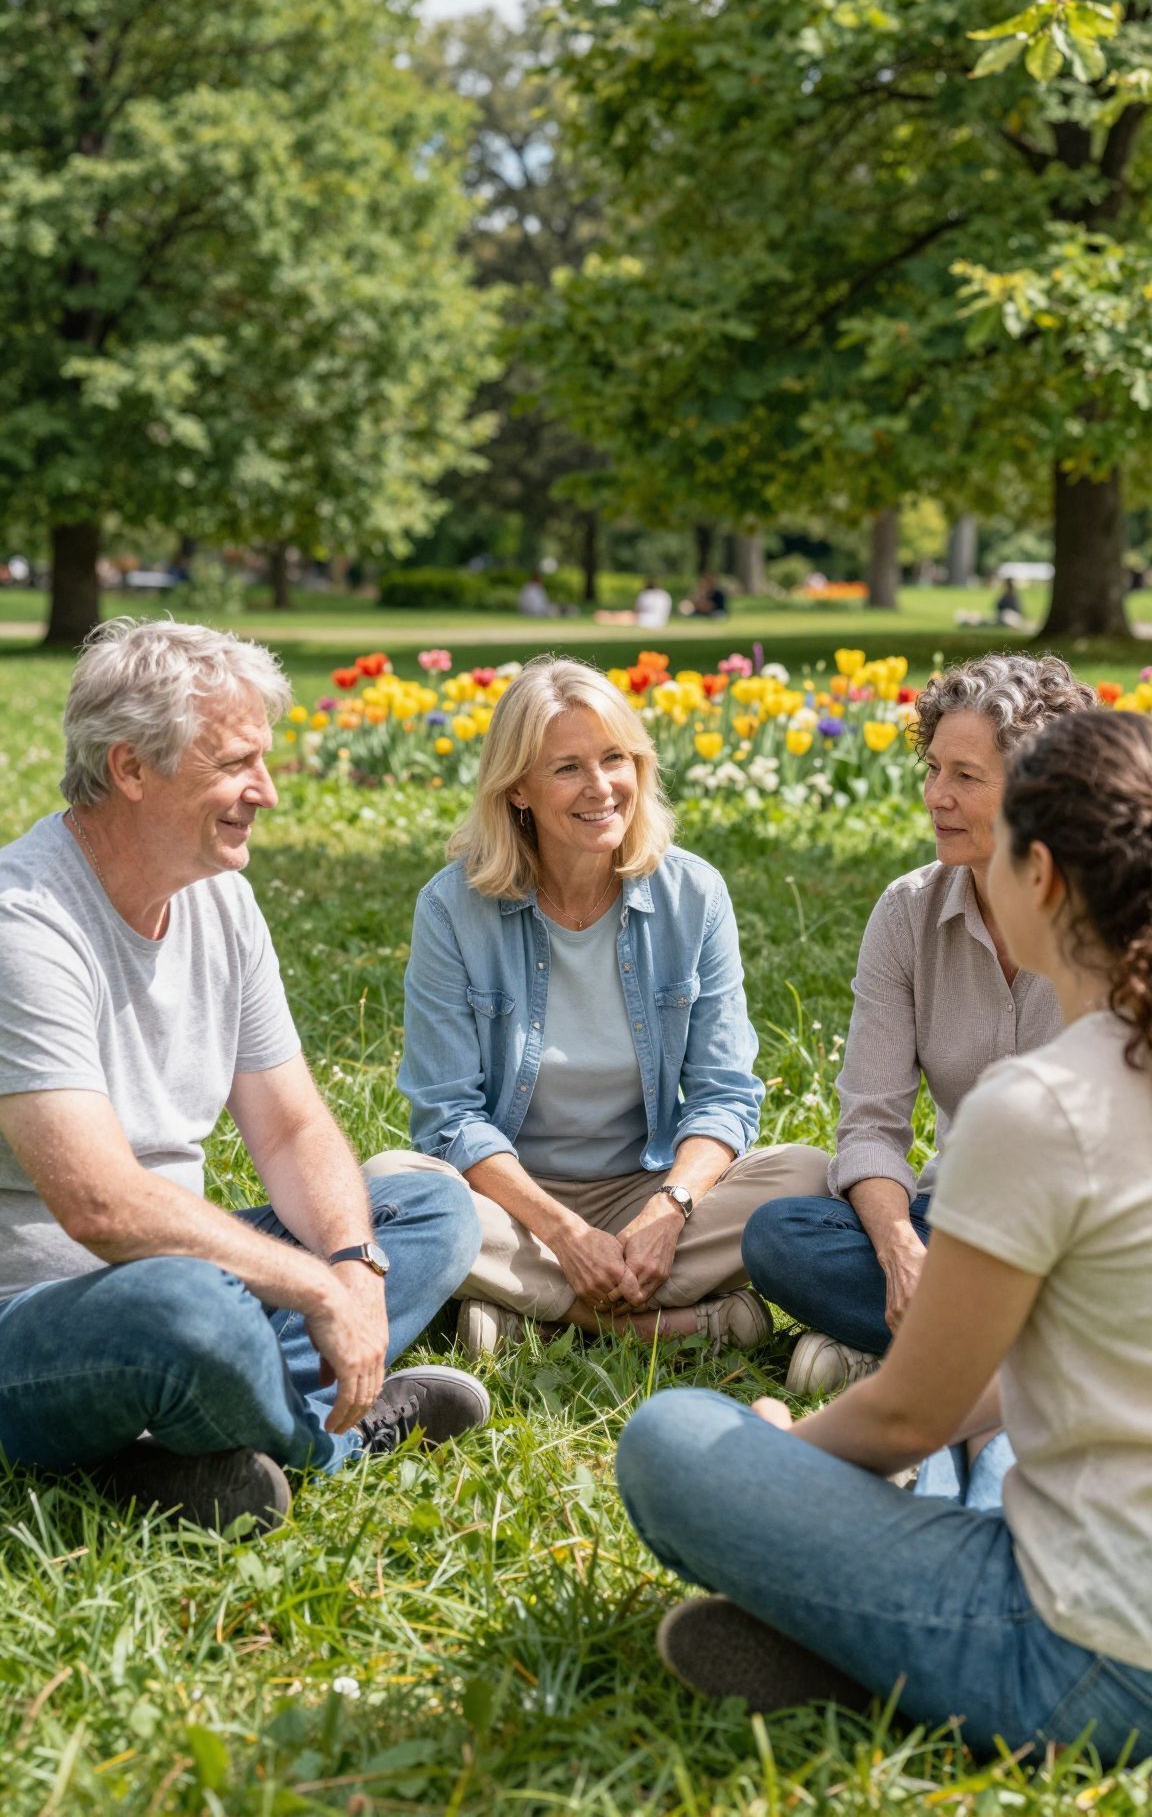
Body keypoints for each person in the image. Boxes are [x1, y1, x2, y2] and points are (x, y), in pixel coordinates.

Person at [617, 709, 1152, 1759]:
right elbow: (1021, 1379)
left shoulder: (1042, 1102)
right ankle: (874, 1638)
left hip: (1091, 1659)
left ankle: (884, 1661)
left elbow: (912, 1411)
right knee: (982, 1451)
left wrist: (778, 1449)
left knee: (672, 1440)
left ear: (1038, 872)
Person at [0, 620, 487, 1532]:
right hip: (37, 1326)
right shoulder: (22, 927)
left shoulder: (220, 896)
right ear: (130, 768)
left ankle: (176, 1457)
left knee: (431, 1209)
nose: (263, 792)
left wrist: (354, 1266)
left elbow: (293, 1127)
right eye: (233, 765)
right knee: (187, 1306)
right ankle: (334, 1437)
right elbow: (100, 1207)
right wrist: (310, 1291)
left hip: (187, 1282)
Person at [369, 656, 828, 1357]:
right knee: (386, 1187)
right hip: (510, 1203)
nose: (601, 787)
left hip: (647, 1190)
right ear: (518, 788)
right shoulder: (452, 909)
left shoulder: (693, 897)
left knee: (810, 1178)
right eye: (567, 768)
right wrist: (564, 1233)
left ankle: (527, 1311)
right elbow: (447, 1115)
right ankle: (665, 1326)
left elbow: (724, 1096)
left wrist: (666, 1212)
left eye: (616, 758)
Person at [743, 654, 1092, 1396]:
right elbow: (870, 1124)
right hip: (958, 1223)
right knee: (781, 1238)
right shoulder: (909, 912)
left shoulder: (1115, 910)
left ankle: (917, 1356)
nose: (937, 796)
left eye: (967, 777)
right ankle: (1006, 1356)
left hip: (1086, 1231)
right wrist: (902, 1250)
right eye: (933, 769)